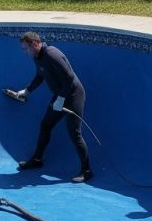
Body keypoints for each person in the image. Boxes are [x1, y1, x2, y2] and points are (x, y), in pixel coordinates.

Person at [9, 31, 92, 183]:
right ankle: (37, 160)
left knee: (74, 133)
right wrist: (27, 90)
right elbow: (40, 75)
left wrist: (60, 99)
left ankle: (87, 171)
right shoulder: (37, 57)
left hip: (73, 95)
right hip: (60, 96)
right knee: (46, 125)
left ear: (35, 44)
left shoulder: (52, 54)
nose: (24, 52)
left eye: (25, 48)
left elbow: (69, 78)